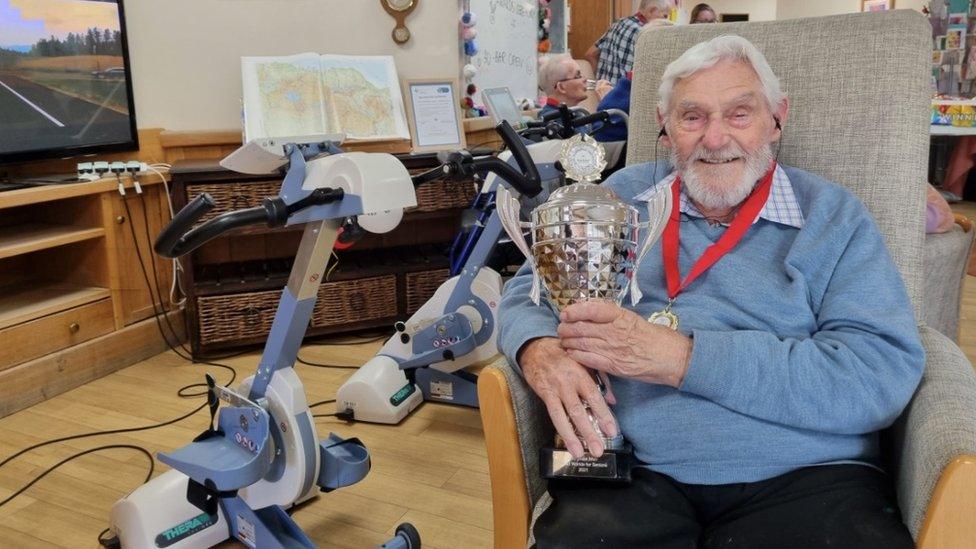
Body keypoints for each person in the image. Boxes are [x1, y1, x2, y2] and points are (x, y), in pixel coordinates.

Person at [498, 35, 924, 547]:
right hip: (628, 468)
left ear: (776, 117)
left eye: (740, 114)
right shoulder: (621, 196)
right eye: (692, 117)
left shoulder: (833, 217)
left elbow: (877, 376)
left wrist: (683, 359)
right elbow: (530, 290)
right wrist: (538, 349)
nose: (715, 139)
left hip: (807, 477)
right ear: (665, 125)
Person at [585, 0, 671, 85]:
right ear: (652, 10)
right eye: (664, 16)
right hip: (626, 96)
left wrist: (597, 82)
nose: (666, 21)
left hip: (603, 94)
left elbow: (590, 54)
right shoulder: (646, 34)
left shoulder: (618, 24)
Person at [538, 54, 611, 118]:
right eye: (578, 76)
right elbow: (599, 133)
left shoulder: (574, 113)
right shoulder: (555, 121)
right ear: (561, 87)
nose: (585, 79)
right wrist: (607, 105)